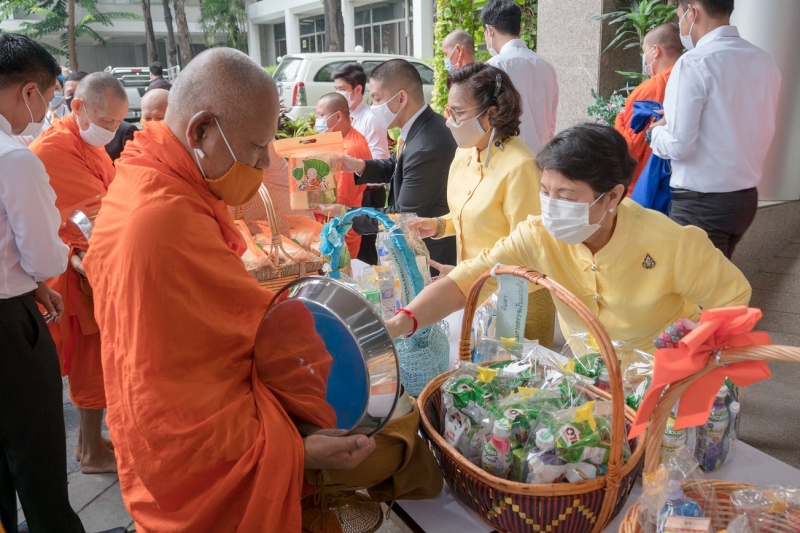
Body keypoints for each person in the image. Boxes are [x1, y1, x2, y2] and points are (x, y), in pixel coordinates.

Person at [83, 48, 441, 531]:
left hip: (177, 417)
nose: (267, 160)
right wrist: (297, 451)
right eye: (256, 148)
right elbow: (176, 397)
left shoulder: (149, 175)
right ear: (201, 131)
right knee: (397, 441)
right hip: (199, 453)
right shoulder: (162, 219)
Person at [385, 124, 752, 355]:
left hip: (662, 380)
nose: (551, 207)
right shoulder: (538, 235)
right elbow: (466, 282)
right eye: (546, 192)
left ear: (612, 196)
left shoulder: (671, 242)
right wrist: (398, 325)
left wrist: (695, 345)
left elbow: (733, 300)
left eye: (566, 196)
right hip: (589, 378)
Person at [0, 32, 126, 533]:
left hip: (26, 290)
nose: (45, 111)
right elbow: (45, 247)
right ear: (30, 91)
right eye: (49, 97)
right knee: (36, 440)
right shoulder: (21, 156)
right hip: (21, 308)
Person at [410, 63, 557, 347]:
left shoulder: (520, 166)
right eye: (449, 111)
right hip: (476, 289)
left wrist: (468, 275)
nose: (449, 121)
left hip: (519, 298)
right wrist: (439, 225)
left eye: (458, 113)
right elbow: (473, 215)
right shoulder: (465, 153)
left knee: (517, 369)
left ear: (491, 113)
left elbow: (528, 246)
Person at [29, 72, 128, 475]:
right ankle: (91, 455)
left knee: (98, 359)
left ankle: (89, 442)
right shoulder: (53, 148)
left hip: (90, 258)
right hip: (74, 268)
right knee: (92, 362)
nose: (112, 130)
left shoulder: (86, 142)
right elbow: (90, 213)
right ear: (77, 107)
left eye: (117, 122)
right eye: (106, 122)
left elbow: (112, 196)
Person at [648, 0, 781, 259]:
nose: (680, 25)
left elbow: (678, 145)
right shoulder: (764, 60)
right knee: (718, 278)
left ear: (692, 11)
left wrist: (653, 133)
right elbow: (737, 117)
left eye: (679, 16)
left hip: (701, 204)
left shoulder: (694, 63)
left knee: (695, 283)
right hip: (744, 199)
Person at [342, 59, 458, 271]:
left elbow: (403, 215)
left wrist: (347, 216)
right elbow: (396, 166)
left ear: (401, 98)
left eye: (377, 99)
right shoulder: (422, 127)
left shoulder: (426, 146)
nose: (373, 107)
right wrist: (358, 165)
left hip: (431, 257)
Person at [483, 0, 558, 154]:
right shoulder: (547, 66)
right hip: (541, 157)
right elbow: (551, 121)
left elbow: (487, 121)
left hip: (508, 158)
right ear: (520, 29)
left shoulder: (493, 67)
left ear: (489, 30)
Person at [614, 23, 682, 194]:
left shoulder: (651, 88)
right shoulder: (690, 80)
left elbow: (630, 149)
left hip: (644, 185)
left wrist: (619, 118)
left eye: (645, 52)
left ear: (655, 51)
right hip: (680, 179)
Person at [332, 62, 389, 264]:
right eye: (335, 89)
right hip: (352, 193)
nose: (337, 94)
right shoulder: (344, 119)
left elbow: (381, 161)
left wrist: (356, 165)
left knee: (365, 255)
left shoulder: (370, 119)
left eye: (341, 89)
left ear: (357, 90)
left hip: (368, 194)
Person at [313, 92, 372, 259]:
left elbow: (341, 200)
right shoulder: (344, 139)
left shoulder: (349, 149)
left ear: (338, 116)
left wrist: (307, 199)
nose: (318, 120)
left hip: (340, 232)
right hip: (335, 227)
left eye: (321, 115)